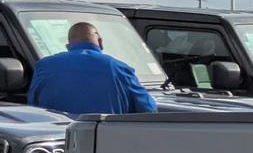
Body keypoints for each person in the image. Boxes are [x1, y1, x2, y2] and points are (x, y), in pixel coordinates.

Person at [28, 21, 157, 115]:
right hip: (105, 142)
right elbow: (148, 110)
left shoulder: (44, 66)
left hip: (54, 142)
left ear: (68, 46)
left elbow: (33, 106)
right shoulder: (119, 68)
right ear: (100, 42)